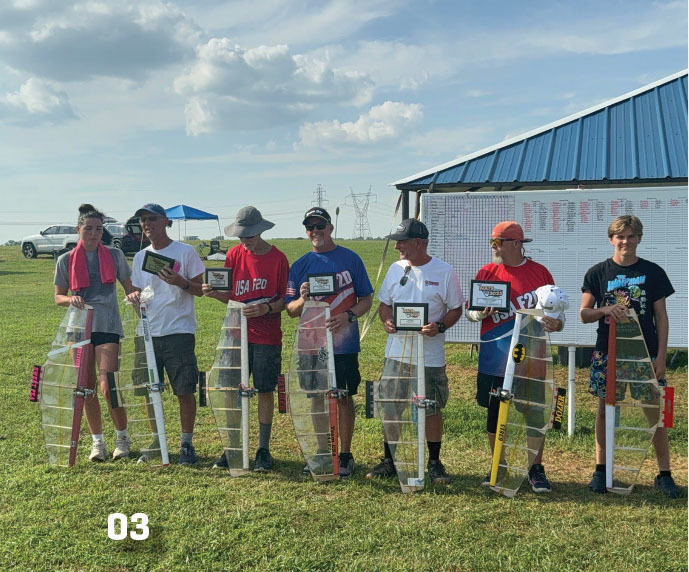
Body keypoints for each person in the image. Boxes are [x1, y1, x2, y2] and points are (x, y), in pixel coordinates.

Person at [579, 214, 682, 498]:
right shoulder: (597, 272)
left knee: (654, 412)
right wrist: (605, 310)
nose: (626, 241)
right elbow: (584, 313)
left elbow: (661, 316)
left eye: (631, 236)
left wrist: (660, 356)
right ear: (611, 239)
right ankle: (601, 471)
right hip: (607, 353)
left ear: (639, 238)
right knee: (605, 410)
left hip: (644, 354)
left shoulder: (653, 272)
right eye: (620, 236)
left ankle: (664, 474)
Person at [466, 221, 564, 493]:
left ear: (517, 243)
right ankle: (500, 464)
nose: (494, 247)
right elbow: (469, 312)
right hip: (494, 357)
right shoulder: (487, 271)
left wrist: (558, 324)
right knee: (495, 413)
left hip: (532, 358)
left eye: (498, 242)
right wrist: (480, 313)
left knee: (534, 413)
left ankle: (536, 468)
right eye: (492, 242)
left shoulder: (539, 272)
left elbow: (557, 314)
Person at [368, 218, 464, 484]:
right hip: (396, 353)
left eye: (402, 241)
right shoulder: (395, 268)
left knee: (431, 406)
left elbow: (456, 308)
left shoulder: (444, 272)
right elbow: (385, 305)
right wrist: (386, 320)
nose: (398, 246)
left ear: (419, 243)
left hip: (429, 355)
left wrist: (440, 326)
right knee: (391, 406)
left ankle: (434, 463)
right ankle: (389, 460)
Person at [285, 207, 373, 477]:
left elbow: (366, 299)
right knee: (315, 399)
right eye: (310, 227)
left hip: (343, 343)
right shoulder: (300, 265)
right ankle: (323, 452)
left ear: (330, 228)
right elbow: (291, 309)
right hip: (312, 344)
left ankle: (345, 454)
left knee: (344, 396)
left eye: (320, 226)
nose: (315, 231)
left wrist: (347, 316)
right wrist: (302, 298)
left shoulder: (350, 259)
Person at [203, 206, 288, 472]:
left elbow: (286, 299)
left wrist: (267, 308)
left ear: (261, 231)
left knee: (264, 390)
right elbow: (229, 294)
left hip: (267, 335)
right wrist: (212, 292)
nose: (245, 240)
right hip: (235, 334)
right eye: (241, 236)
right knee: (231, 390)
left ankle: (263, 449)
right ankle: (233, 446)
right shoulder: (234, 255)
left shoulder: (278, 259)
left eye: (249, 235)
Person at [54, 204, 136, 461]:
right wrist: (71, 300)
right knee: (85, 387)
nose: (93, 233)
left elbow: (129, 287)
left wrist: (133, 294)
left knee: (107, 385)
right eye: (88, 228)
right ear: (79, 229)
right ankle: (97, 443)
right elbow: (58, 297)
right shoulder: (65, 260)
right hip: (78, 328)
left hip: (107, 326)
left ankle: (122, 437)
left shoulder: (114, 256)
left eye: (98, 229)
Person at [126, 203, 205, 465]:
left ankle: (186, 443)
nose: (147, 224)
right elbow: (136, 292)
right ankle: (156, 440)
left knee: (184, 389)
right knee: (150, 389)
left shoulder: (185, 252)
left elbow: (202, 288)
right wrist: (134, 297)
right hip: (147, 333)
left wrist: (180, 281)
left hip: (178, 331)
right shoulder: (140, 257)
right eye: (142, 220)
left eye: (152, 219)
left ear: (165, 222)